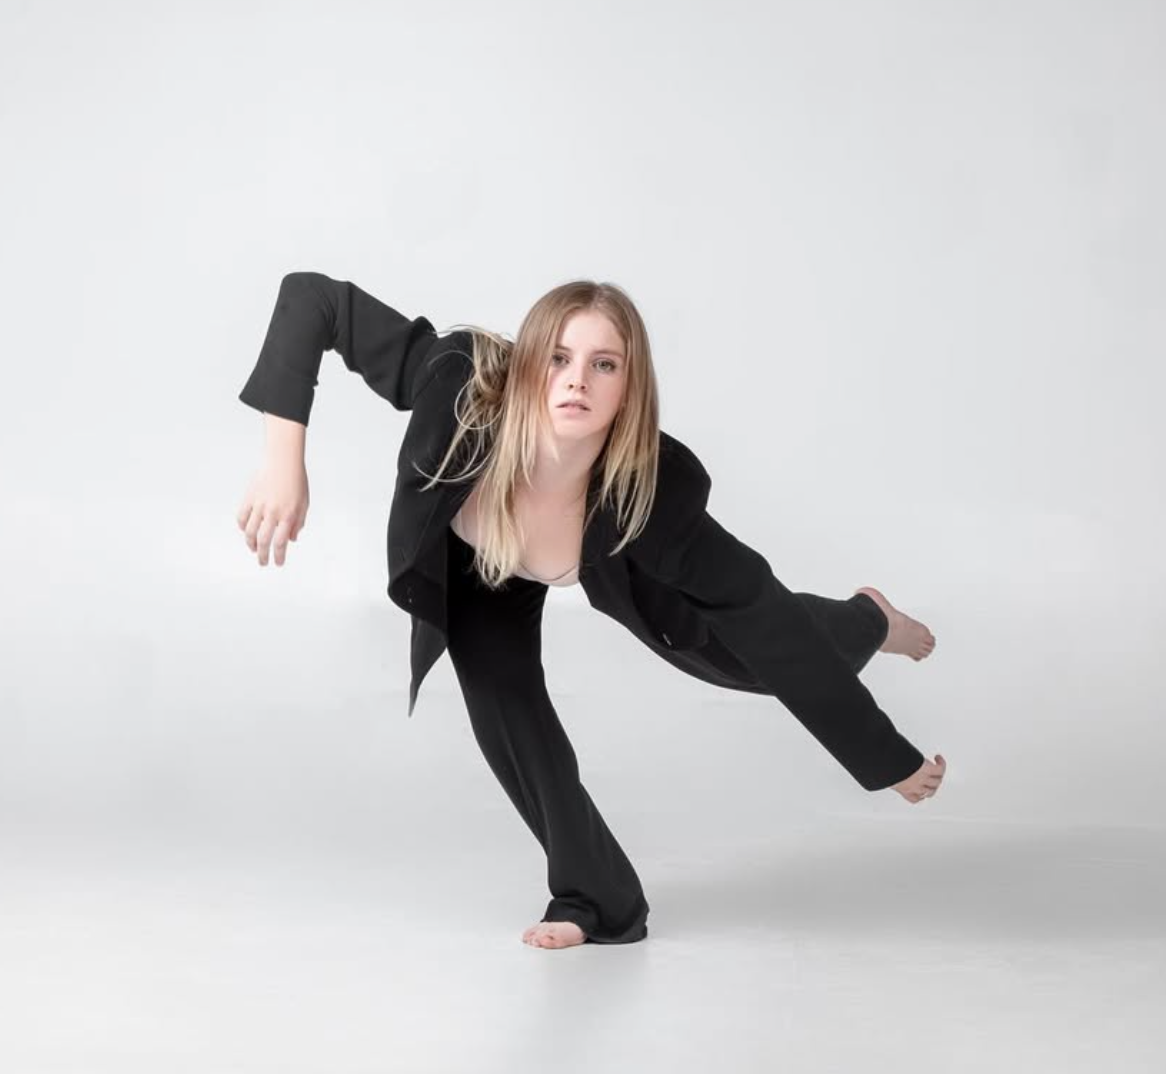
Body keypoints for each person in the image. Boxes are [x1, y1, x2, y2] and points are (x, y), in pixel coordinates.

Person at [235, 271, 946, 950]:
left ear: (628, 388)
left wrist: (885, 758)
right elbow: (314, 299)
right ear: (525, 366)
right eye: (558, 357)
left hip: (618, 562)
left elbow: (765, 615)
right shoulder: (458, 382)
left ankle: (868, 620)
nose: (577, 378)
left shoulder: (653, 494)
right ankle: (594, 900)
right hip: (478, 563)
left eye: (605, 364)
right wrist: (283, 461)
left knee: (746, 655)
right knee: (507, 713)